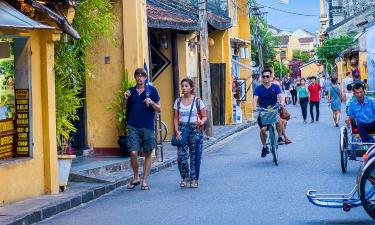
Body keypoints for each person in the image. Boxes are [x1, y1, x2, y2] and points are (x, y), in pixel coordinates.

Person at [124, 68, 161, 191]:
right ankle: (136, 177)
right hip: (133, 125)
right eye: (137, 75)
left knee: (148, 153)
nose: (139, 78)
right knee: (133, 152)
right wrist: (125, 99)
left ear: (145, 78)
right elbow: (125, 108)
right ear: (135, 77)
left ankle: (144, 180)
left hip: (148, 126)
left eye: (142, 76)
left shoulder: (152, 91)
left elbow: (159, 109)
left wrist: (152, 103)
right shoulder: (131, 91)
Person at [173, 78, 207, 188]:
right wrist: (176, 130)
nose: (183, 88)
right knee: (181, 155)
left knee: (195, 155)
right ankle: (185, 177)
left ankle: (194, 179)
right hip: (182, 129)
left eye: (186, 86)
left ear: (191, 87)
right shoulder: (178, 101)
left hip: (195, 129)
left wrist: (202, 121)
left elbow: (205, 116)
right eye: (182, 86)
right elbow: (176, 118)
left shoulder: (198, 101)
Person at [253, 69, 291, 158]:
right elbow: (255, 99)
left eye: (267, 76)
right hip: (263, 111)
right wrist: (254, 107)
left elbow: (281, 96)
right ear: (261, 78)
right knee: (262, 130)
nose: (265, 78)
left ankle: (279, 138)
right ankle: (264, 146)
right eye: (263, 76)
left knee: (278, 120)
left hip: (274, 109)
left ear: (271, 77)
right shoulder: (258, 88)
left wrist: (282, 102)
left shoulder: (275, 87)